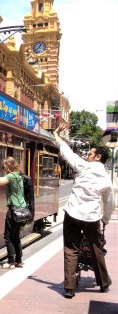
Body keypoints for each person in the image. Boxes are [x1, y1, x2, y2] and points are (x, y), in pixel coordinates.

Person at [53, 122, 114, 298]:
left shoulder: (82, 166)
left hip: (72, 214)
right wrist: (106, 219)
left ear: (98, 157)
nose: (88, 153)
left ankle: (69, 288)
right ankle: (104, 283)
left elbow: (64, 150)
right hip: (92, 217)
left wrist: (57, 132)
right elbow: (109, 202)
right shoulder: (105, 178)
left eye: (91, 152)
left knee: (70, 249)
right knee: (97, 249)